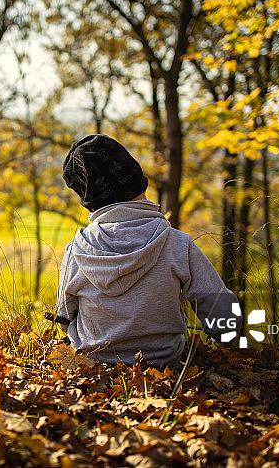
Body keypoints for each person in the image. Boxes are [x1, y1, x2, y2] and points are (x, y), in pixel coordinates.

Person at [55, 134, 242, 369]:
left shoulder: (77, 250)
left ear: (89, 202)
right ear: (138, 180)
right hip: (165, 370)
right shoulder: (177, 244)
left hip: (94, 371)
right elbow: (225, 319)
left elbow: (63, 316)